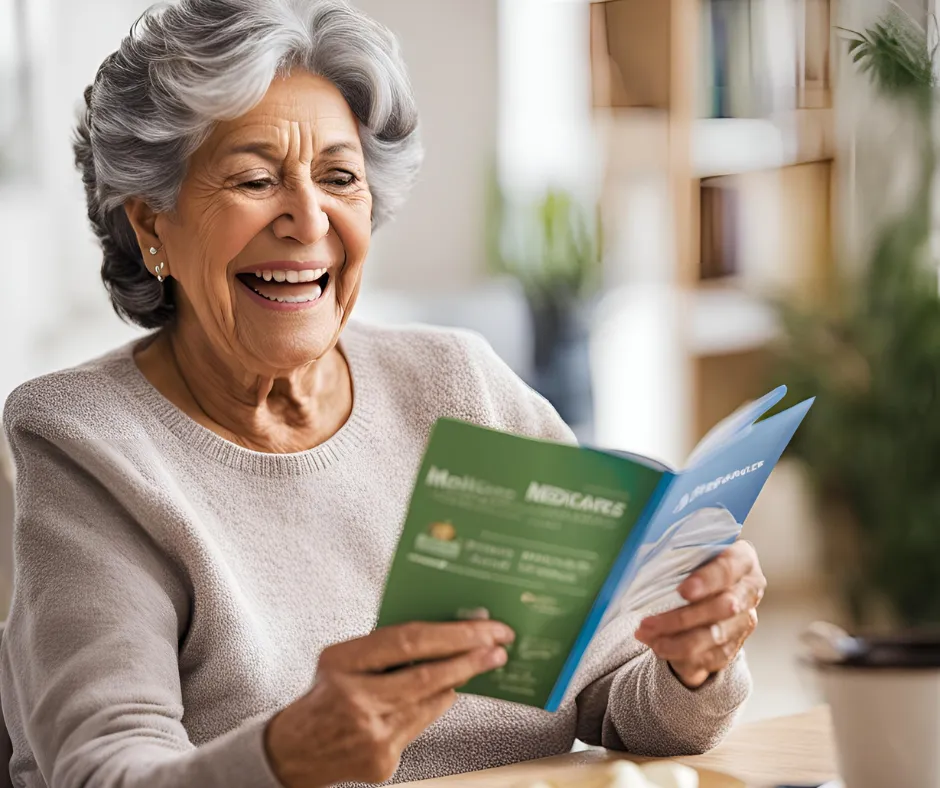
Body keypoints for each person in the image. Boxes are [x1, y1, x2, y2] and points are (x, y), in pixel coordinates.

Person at [0, 1, 766, 786]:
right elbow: (102, 774)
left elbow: (613, 692)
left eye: (339, 177)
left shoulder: (457, 383)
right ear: (150, 223)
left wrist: (690, 661)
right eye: (256, 178)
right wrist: (286, 756)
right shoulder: (87, 440)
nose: (308, 220)